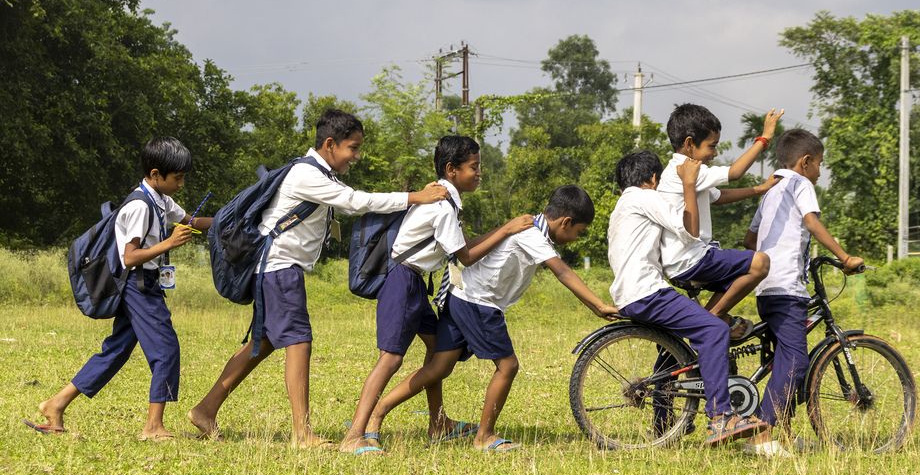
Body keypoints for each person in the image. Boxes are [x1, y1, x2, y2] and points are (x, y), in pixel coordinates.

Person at [187, 109, 448, 447]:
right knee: (299, 341)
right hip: (280, 267)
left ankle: (206, 410)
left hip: (279, 269)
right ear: (330, 144)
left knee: (262, 344)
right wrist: (415, 197)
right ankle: (302, 432)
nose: (356, 156)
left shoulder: (319, 174)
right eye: (352, 148)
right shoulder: (305, 175)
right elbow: (354, 202)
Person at [364, 185, 618, 452]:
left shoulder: (528, 227)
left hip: (460, 296)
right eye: (578, 232)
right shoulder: (531, 234)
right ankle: (484, 436)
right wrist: (598, 306)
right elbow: (563, 272)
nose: (576, 239)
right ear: (566, 222)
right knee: (507, 367)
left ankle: (378, 412)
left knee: (439, 367)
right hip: (479, 304)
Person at [340, 135, 534, 455]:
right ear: (451, 169)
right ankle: (358, 431)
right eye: (474, 167)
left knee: (436, 349)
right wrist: (507, 229)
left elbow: (463, 246)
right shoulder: (442, 204)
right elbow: (466, 257)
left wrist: (503, 232)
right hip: (403, 282)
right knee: (391, 358)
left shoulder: (447, 201)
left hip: (416, 283)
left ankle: (438, 423)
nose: (479, 172)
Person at [29, 137, 212, 440]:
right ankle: (153, 427)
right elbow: (130, 257)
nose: (181, 184)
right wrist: (169, 242)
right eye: (177, 178)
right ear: (156, 175)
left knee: (115, 351)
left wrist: (229, 220)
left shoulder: (160, 199)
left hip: (144, 284)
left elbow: (191, 220)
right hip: (137, 286)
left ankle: (55, 404)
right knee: (166, 350)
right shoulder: (140, 206)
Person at [608, 150, 767, 445]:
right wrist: (689, 184)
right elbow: (691, 231)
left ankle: (664, 423)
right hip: (648, 291)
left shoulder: (623, 204)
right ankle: (721, 418)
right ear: (653, 179)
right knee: (713, 329)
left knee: (671, 349)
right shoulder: (646, 197)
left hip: (632, 293)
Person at [743, 129, 863, 456]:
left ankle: (782, 433)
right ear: (805, 161)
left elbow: (749, 241)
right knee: (796, 361)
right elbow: (811, 222)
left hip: (765, 287)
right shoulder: (800, 183)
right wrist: (844, 257)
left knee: (783, 358)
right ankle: (761, 434)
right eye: (820, 164)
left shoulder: (770, 190)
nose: (821, 172)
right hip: (786, 287)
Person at [658, 103, 784, 338]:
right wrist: (764, 138)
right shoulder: (686, 169)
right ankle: (712, 318)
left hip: (684, 259)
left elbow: (718, 196)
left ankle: (702, 325)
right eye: (711, 146)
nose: (714, 153)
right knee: (760, 263)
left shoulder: (687, 172)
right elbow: (735, 172)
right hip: (691, 258)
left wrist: (759, 189)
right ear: (689, 144)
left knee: (740, 272)